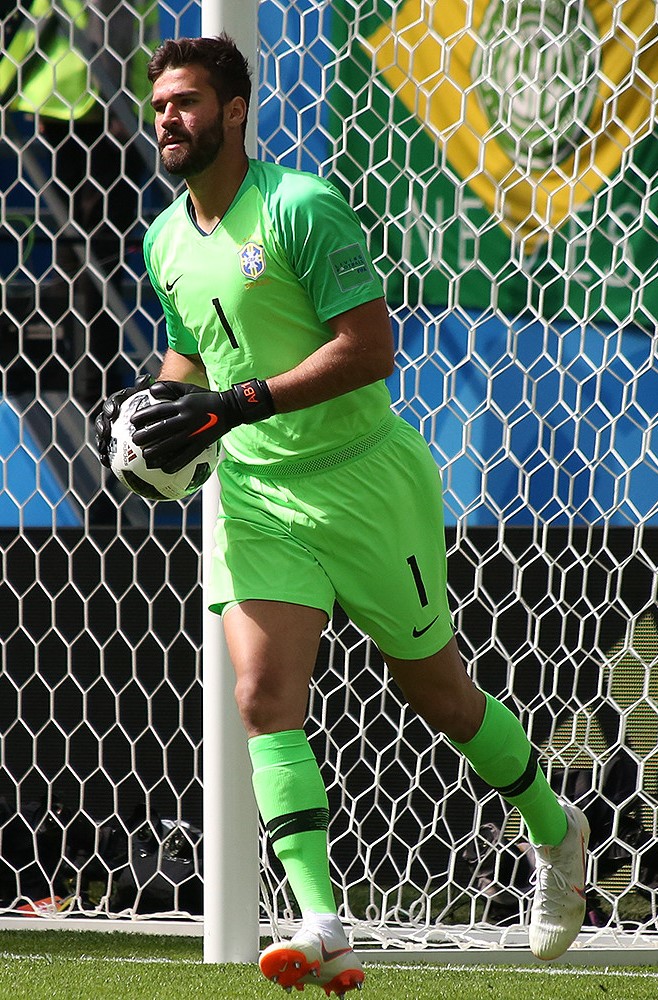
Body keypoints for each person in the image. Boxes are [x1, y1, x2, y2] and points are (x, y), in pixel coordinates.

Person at [95, 34, 590, 996]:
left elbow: (369, 350)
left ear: (235, 111)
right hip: (257, 494)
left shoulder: (301, 207)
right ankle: (323, 923)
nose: (168, 120)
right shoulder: (162, 240)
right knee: (260, 700)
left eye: (188, 103)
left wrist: (232, 406)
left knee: (439, 697)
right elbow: (191, 357)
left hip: (365, 483)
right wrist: (150, 428)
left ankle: (555, 827)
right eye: (160, 105)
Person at [0, 0, 156, 408]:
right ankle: (92, 381)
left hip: (70, 96)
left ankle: (90, 377)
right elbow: (112, 18)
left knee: (89, 253)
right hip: (86, 100)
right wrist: (115, 97)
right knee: (92, 254)